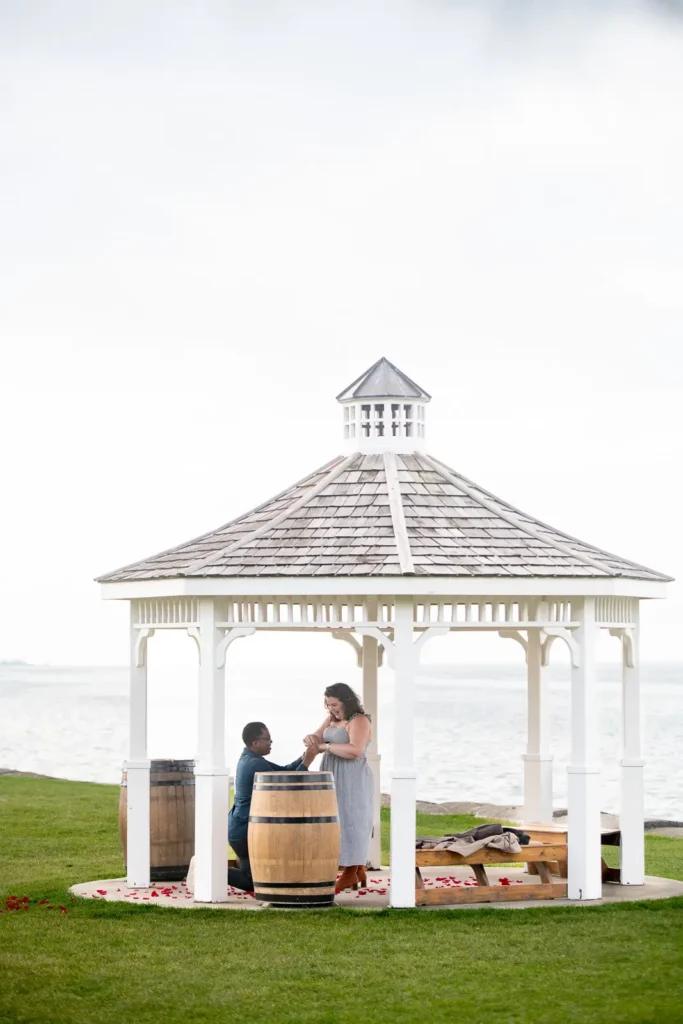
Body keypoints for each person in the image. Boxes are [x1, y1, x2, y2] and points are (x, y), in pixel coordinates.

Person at [228, 722, 317, 893]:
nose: (270, 743)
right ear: (255, 743)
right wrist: (307, 762)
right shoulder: (255, 764)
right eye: (267, 740)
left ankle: (207, 869)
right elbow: (287, 786)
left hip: (239, 827)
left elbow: (284, 772)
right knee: (253, 881)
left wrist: (304, 757)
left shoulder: (253, 759)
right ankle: (207, 870)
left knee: (254, 877)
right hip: (243, 830)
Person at [304, 683, 373, 893]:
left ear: (346, 700)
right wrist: (311, 739)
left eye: (334, 704)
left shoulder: (359, 720)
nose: (331, 708)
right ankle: (357, 869)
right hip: (332, 774)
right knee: (335, 820)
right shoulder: (332, 719)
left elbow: (356, 750)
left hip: (352, 776)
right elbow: (318, 736)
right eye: (328, 704)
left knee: (352, 820)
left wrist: (326, 747)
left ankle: (351, 870)